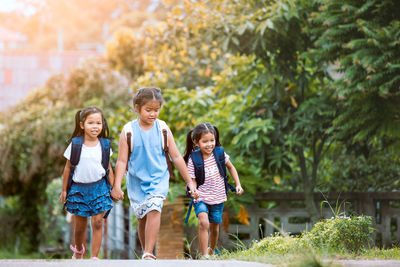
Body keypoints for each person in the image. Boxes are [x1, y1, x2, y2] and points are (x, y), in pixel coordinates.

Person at [111, 87, 198, 260]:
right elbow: (121, 161)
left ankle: (149, 252)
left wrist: (190, 181)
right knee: (142, 217)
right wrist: (116, 186)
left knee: (154, 208)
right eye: (148, 110)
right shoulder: (128, 131)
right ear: (137, 108)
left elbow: (176, 156)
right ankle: (146, 251)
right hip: (136, 180)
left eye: (156, 110)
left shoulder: (163, 129)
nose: (153, 114)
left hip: (158, 178)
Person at [59, 106, 114, 260]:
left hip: (99, 188)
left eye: (98, 123)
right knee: (79, 227)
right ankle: (78, 251)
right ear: (82, 125)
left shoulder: (105, 145)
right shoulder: (75, 145)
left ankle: (94, 257)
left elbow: (109, 168)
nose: (95, 126)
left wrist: (114, 188)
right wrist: (64, 191)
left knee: (97, 222)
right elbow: (67, 168)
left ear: (102, 124)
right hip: (78, 189)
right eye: (91, 123)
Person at [183, 122, 243, 259]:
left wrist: (238, 184)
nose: (210, 144)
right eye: (205, 141)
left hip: (218, 196)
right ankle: (204, 256)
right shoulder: (194, 158)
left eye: (212, 140)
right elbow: (192, 180)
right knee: (204, 222)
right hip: (201, 196)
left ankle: (211, 251)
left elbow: (231, 168)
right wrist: (193, 190)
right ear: (196, 142)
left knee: (215, 227)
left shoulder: (219, 153)